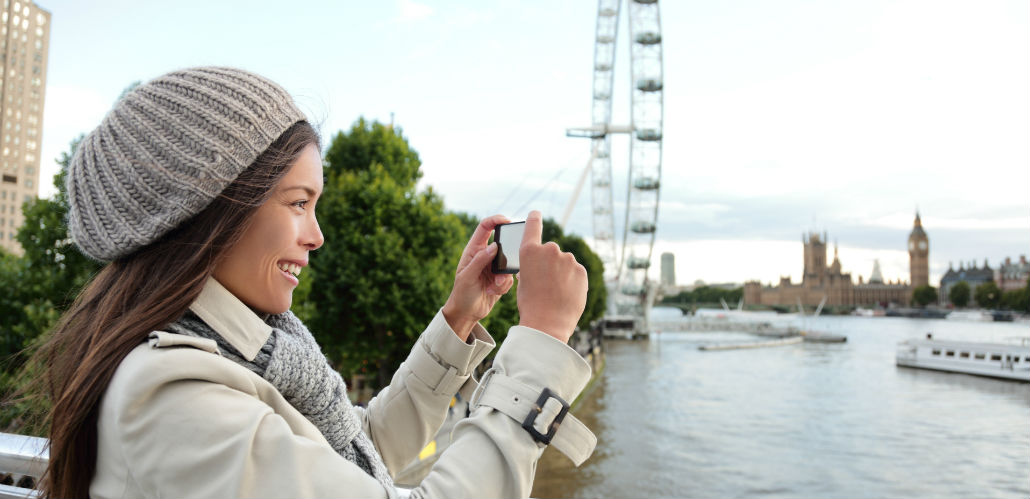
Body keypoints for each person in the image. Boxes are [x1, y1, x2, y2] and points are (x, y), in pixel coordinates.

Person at [38, 67, 595, 499]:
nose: (317, 236)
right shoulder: (173, 394)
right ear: (210, 213)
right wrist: (541, 341)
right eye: (299, 204)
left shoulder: (241, 350)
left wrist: (459, 318)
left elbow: (360, 449)